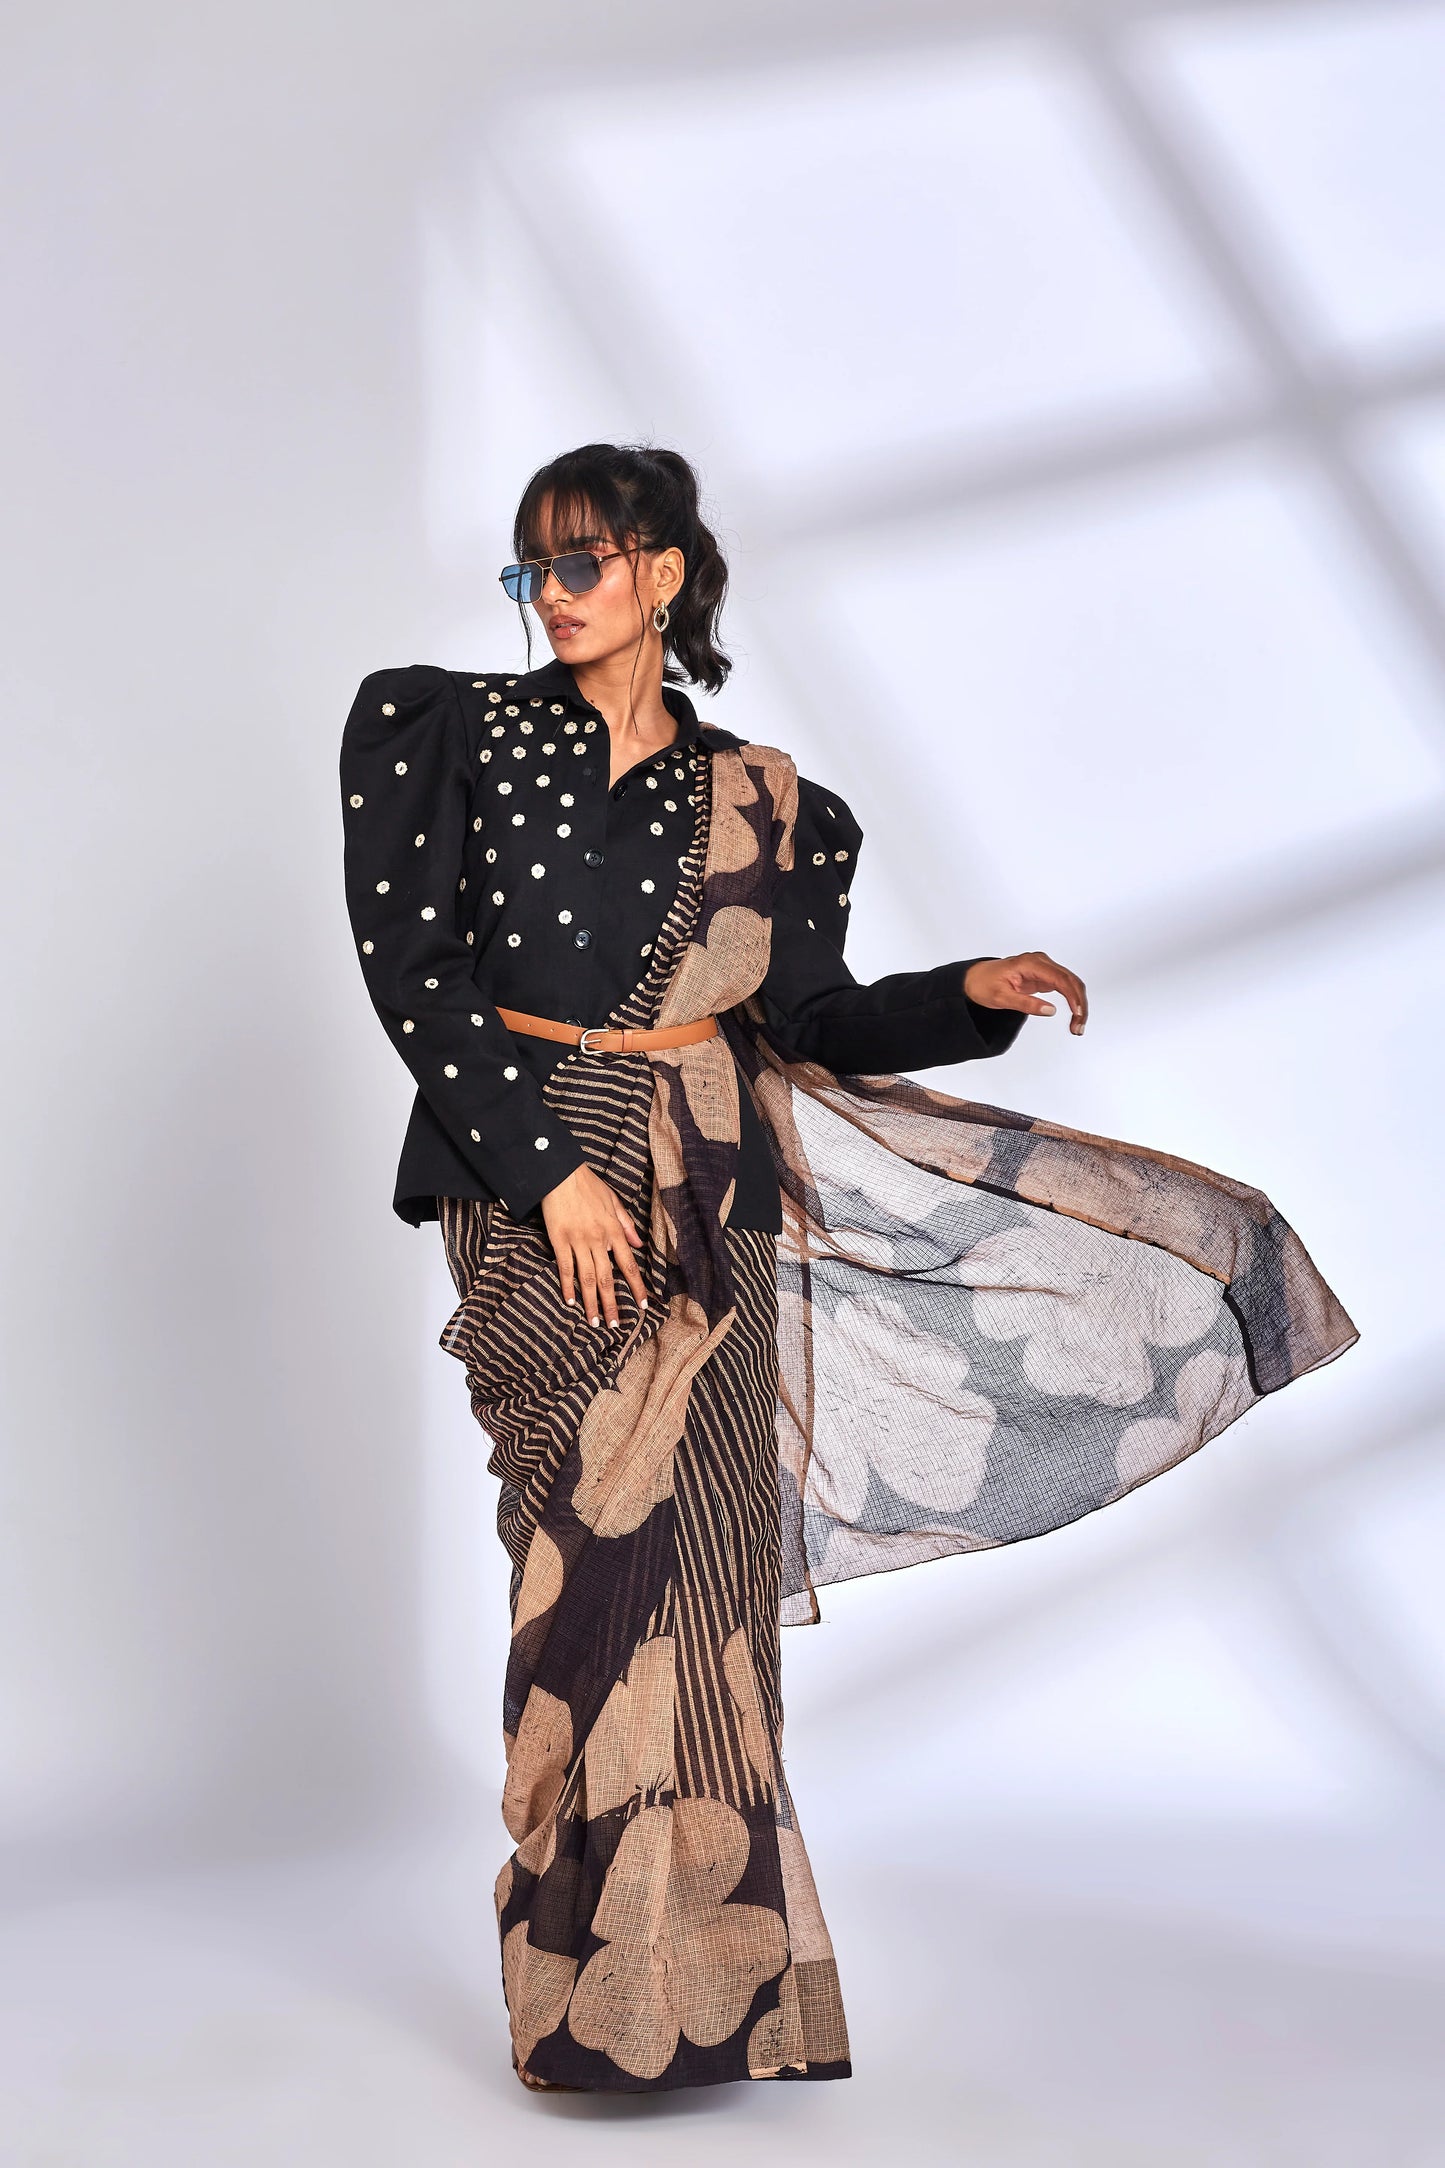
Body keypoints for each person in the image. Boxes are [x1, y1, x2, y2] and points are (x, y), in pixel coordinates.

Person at [340, 442, 1356, 2095]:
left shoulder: (767, 801)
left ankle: (698, 2004)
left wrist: (966, 992)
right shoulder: (443, 731)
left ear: (663, 573)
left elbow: (804, 1019)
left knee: (709, 1572)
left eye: (582, 561)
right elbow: (417, 971)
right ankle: (576, 1997)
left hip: (713, 1176)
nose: (551, 595)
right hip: (530, 1159)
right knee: (584, 1560)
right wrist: (551, 1175)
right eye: (531, 568)